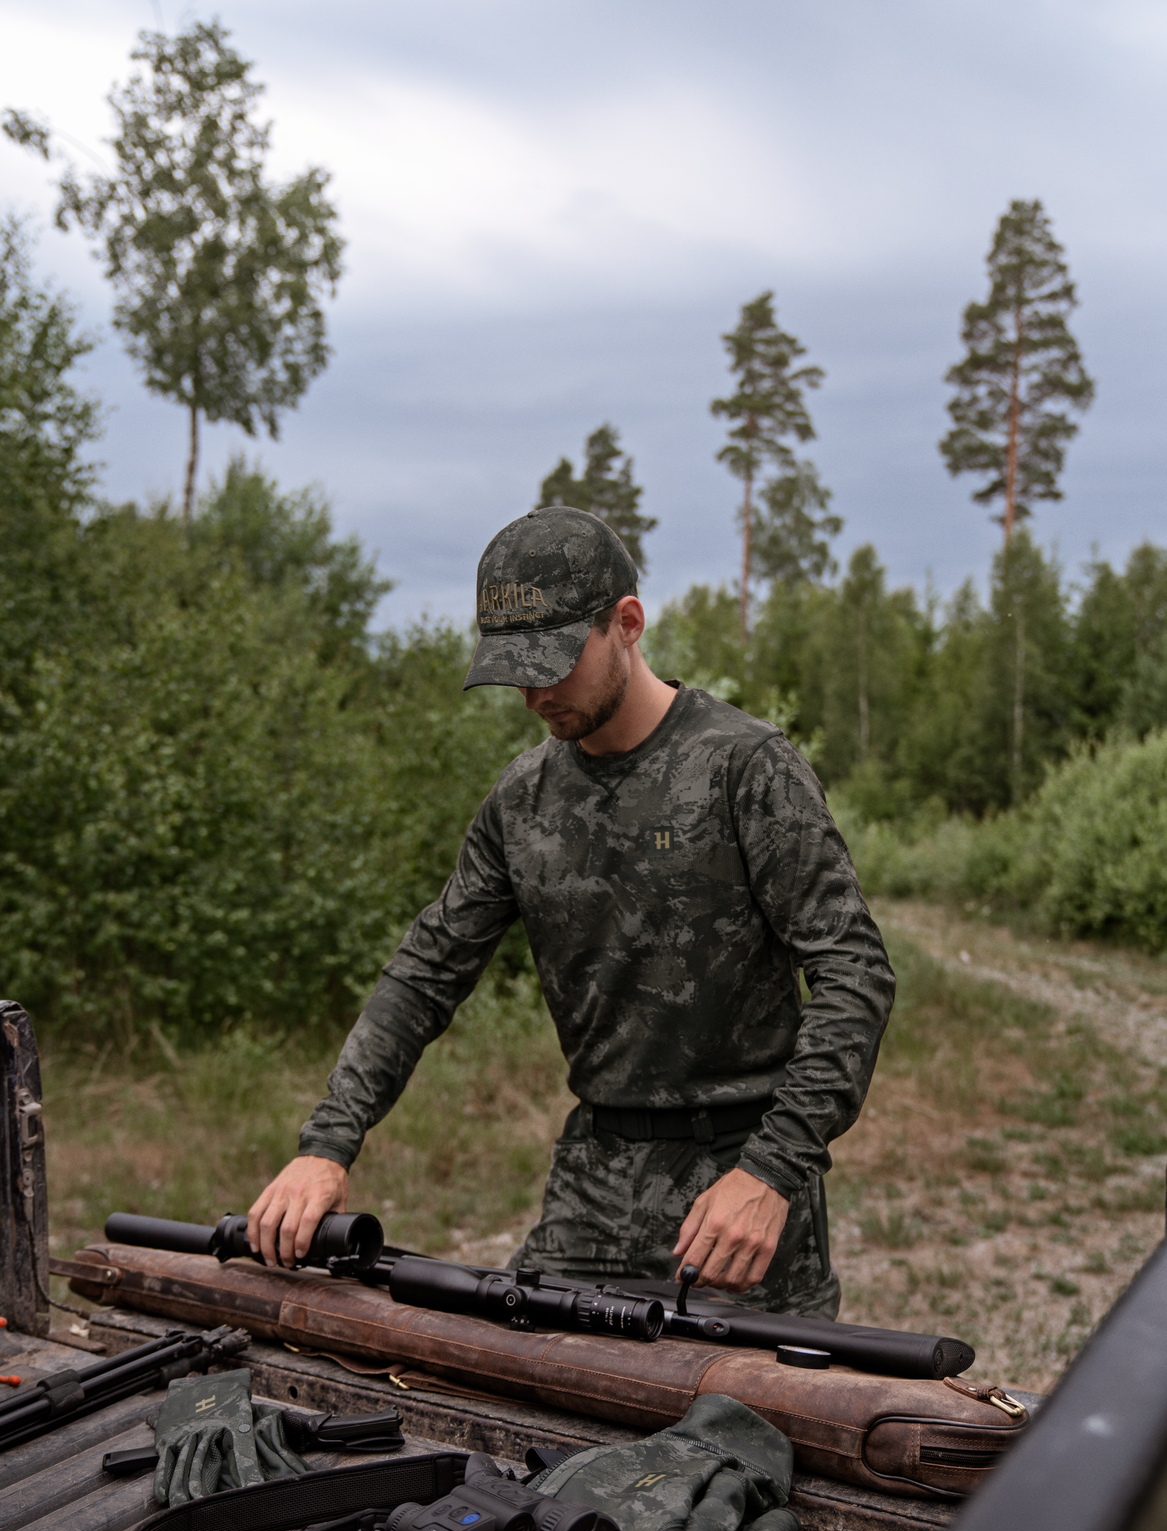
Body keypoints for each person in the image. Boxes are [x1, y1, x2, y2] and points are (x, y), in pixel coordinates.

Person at [248, 506, 895, 1316]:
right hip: (592, 1180)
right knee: (514, 1391)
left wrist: (770, 1172)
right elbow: (424, 974)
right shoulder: (522, 800)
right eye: (513, 669)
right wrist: (326, 1146)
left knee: (734, 1427)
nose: (533, 693)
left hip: (739, 1181)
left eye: (553, 662)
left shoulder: (744, 769)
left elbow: (852, 973)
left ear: (626, 622)